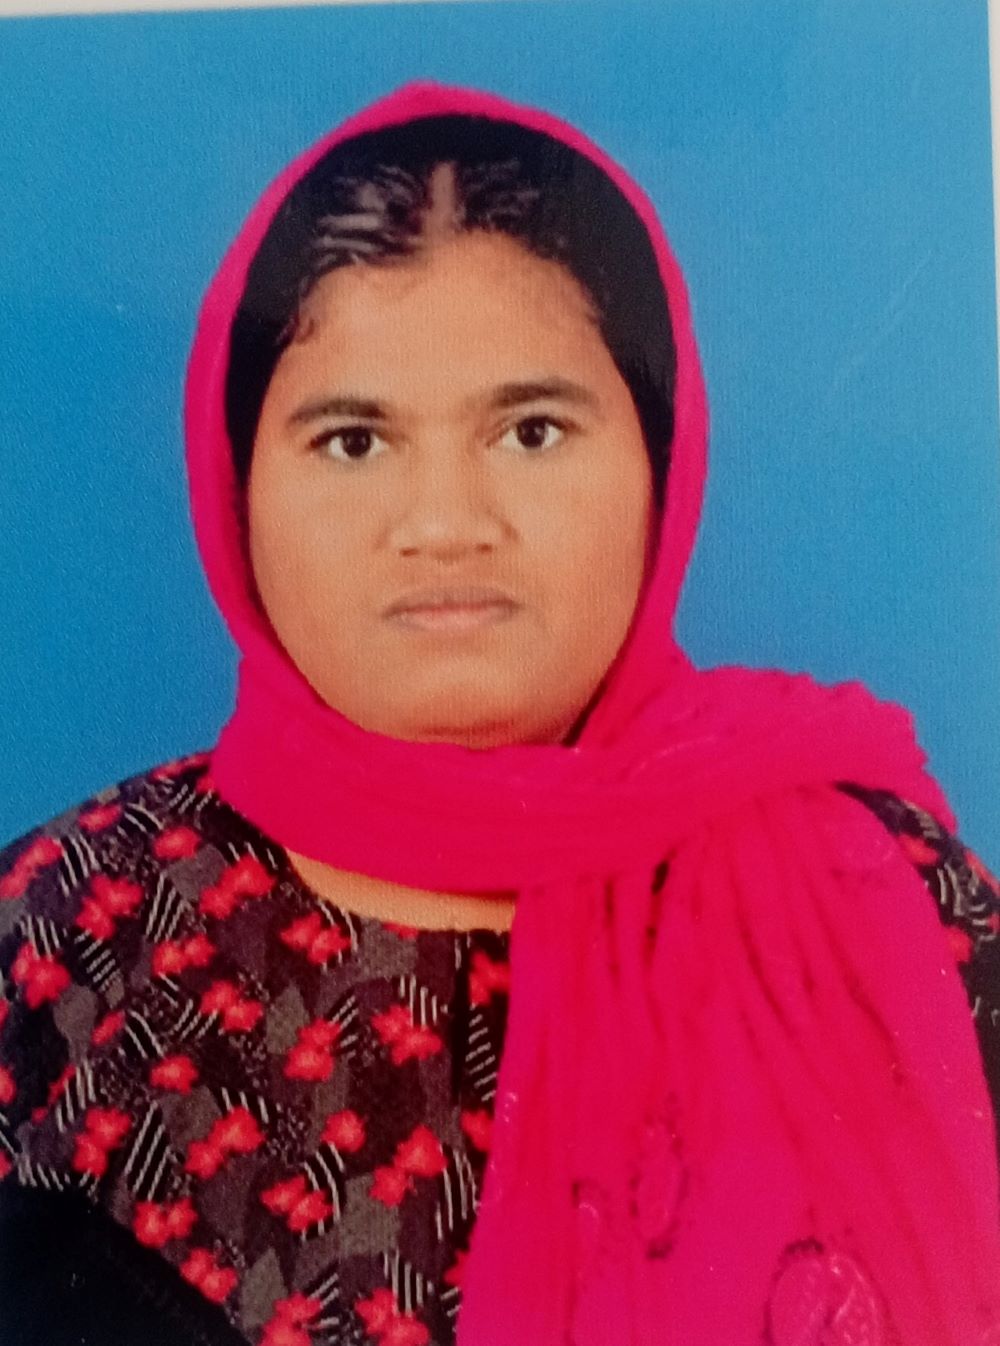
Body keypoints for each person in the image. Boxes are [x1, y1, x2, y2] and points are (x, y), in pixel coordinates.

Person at [1, 79, 999, 1346]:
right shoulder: (67, 933)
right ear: (236, 484)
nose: (444, 524)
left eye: (530, 430)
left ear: (659, 465)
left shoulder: (892, 897)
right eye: (352, 440)